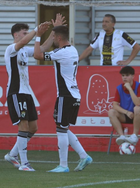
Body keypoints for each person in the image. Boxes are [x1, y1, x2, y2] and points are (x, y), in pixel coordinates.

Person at [3, 14, 65, 172]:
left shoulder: (24, 51)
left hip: (26, 92)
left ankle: (12, 154)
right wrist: (37, 31)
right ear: (16, 35)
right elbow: (24, 42)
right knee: (23, 125)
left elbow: (43, 48)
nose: (26, 35)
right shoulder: (11, 49)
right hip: (16, 92)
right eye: (24, 32)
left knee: (33, 127)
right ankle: (24, 163)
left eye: (27, 32)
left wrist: (54, 30)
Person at [34, 25, 92, 173]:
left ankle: (63, 165)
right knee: (63, 127)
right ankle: (83, 156)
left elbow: (37, 55)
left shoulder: (60, 52)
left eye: (53, 36)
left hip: (65, 95)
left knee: (61, 129)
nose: (52, 38)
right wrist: (54, 27)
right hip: (74, 95)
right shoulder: (73, 49)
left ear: (59, 38)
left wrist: (38, 36)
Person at [108, 66, 140, 146]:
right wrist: (126, 112)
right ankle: (122, 136)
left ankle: (134, 136)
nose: (124, 78)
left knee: (136, 109)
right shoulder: (119, 88)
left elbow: (137, 103)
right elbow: (115, 105)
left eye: (127, 75)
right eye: (123, 76)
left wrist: (130, 89)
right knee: (111, 112)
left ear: (133, 76)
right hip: (127, 115)